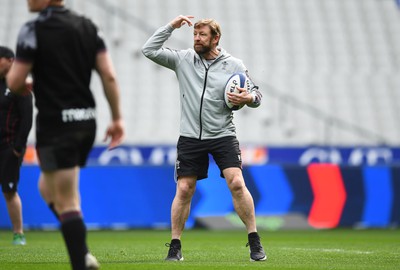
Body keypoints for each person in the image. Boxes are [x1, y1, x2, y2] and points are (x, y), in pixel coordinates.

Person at [7, 1, 124, 269]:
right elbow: (109, 75)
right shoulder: (89, 27)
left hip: (57, 123)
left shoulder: (33, 29)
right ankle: (82, 252)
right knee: (47, 189)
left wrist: (24, 82)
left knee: (67, 199)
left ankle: (80, 262)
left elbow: (14, 82)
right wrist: (117, 118)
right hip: (86, 122)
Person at [142, 15, 266, 262]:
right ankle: (175, 246)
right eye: (194, 35)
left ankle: (254, 241)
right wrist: (171, 26)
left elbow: (257, 95)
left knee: (237, 183)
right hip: (190, 136)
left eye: (202, 35)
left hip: (223, 134)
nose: (197, 39)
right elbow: (149, 50)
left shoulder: (234, 65)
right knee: (185, 188)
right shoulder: (183, 59)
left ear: (215, 38)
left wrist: (248, 99)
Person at [0, 46, 33, 246]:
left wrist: (18, 148)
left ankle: (18, 234)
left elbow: (27, 118)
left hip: (8, 147)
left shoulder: (19, 85)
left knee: (9, 191)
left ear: (9, 60)